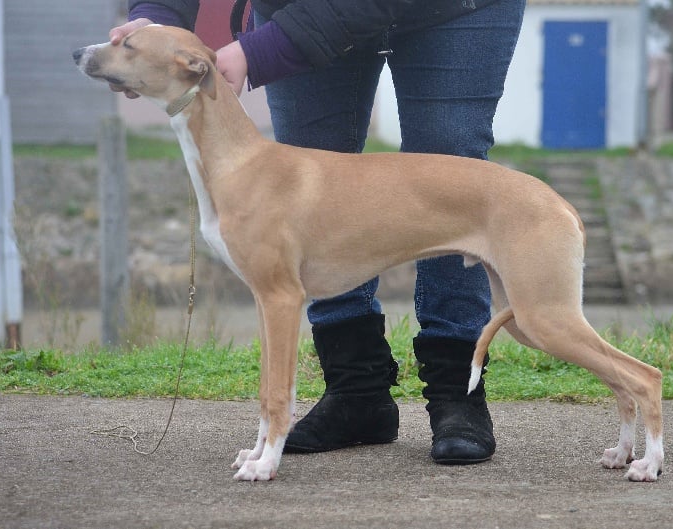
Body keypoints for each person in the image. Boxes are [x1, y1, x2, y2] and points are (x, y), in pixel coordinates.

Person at [111, 0, 525, 465]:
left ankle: (457, 388)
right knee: (306, 177)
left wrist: (266, 47)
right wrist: (155, 17)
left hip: (457, 11)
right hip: (296, 10)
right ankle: (356, 390)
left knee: (452, 172)